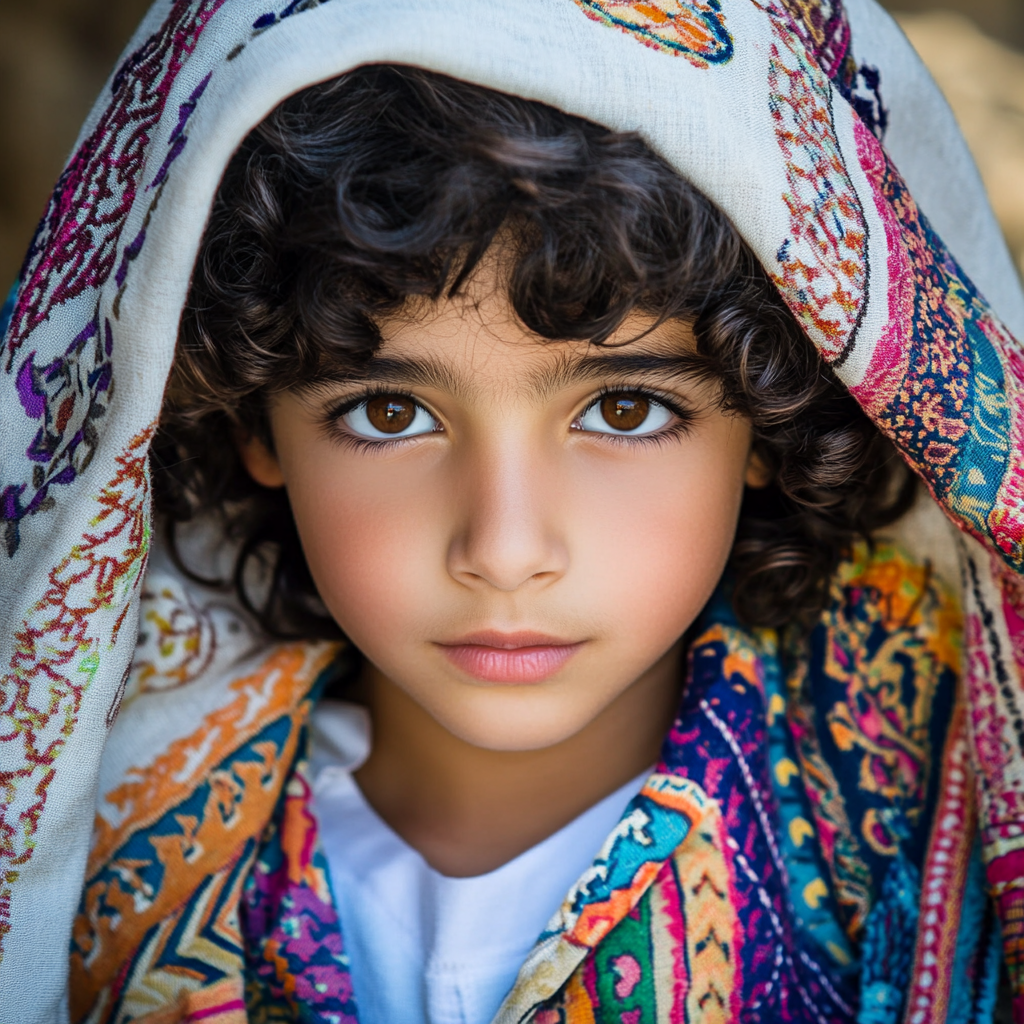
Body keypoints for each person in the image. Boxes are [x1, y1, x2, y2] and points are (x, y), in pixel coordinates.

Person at [2, 2, 1023, 1023]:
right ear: (251, 423)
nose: (504, 548)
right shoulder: (112, 861)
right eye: (389, 411)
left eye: (624, 410)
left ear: (768, 413)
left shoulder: (912, 837)